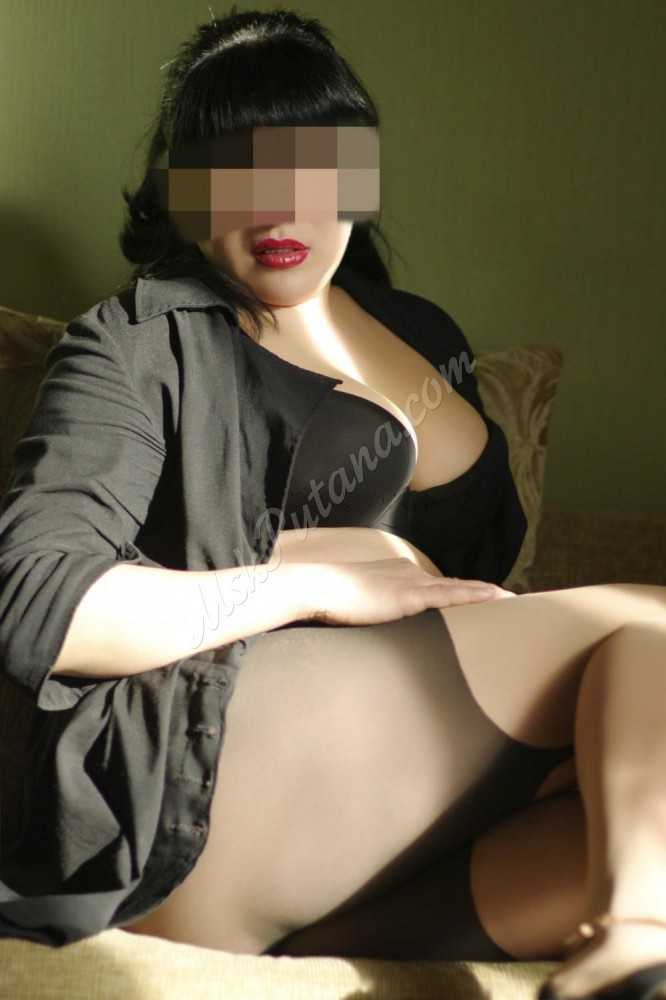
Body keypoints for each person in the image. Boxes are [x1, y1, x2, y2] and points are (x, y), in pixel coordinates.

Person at [1, 10, 666, 1000]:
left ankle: (616, 936)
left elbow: (484, 572)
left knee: (628, 813)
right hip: (206, 774)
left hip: (365, 832)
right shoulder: (137, 341)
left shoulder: (423, 336)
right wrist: (303, 582)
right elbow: (38, 603)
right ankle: (640, 930)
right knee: (655, 623)